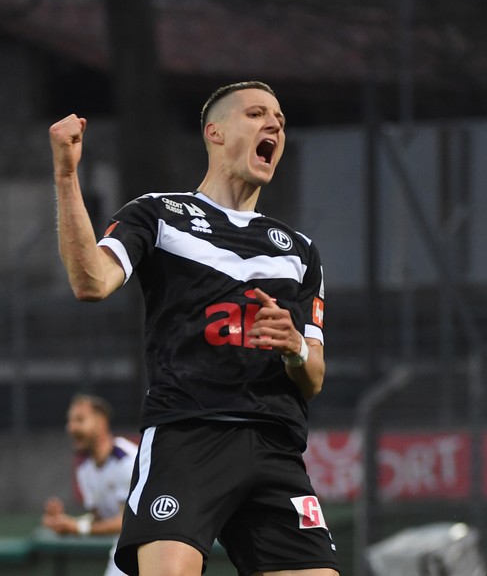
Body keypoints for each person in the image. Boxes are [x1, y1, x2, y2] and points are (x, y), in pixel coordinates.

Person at [49, 81, 338, 576]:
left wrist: (294, 347)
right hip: (189, 434)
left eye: (280, 120)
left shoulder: (299, 250)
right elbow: (91, 281)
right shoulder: (160, 215)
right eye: (256, 114)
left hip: (275, 446)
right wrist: (66, 174)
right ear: (215, 132)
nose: (274, 125)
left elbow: (313, 379)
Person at [42, 393, 138, 576]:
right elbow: (100, 518)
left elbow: (128, 521)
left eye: (80, 419)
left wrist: (77, 528)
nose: (71, 427)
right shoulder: (85, 471)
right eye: (69, 421)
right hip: (124, 551)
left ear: (101, 422)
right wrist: (66, 523)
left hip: (150, 548)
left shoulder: (126, 460)